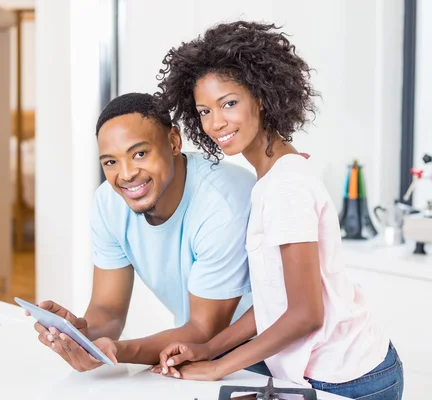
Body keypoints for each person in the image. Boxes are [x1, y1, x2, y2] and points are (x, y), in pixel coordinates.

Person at [152, 21, 404, 399]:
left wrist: (218, 366)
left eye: (229, 103)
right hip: (325, 372)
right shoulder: (271, 177)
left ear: (263, 97)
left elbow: (306, 314)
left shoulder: (286, 186)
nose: (215, 123)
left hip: (352, 380)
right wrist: (210, 348)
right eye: (204, 111)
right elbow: (278, 299)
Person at [30, 92, 257, 373]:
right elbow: (108, 310)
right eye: (110, 162)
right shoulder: (108, 203)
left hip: (266, 360)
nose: (126, 174)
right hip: (195, 356)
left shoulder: (222, 201)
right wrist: (80, 337)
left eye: (139, 154)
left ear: (174, 142)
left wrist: (117, 351)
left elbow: (205, 329)